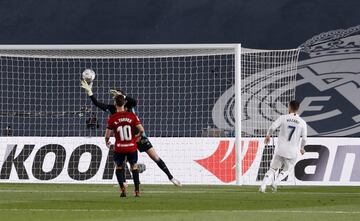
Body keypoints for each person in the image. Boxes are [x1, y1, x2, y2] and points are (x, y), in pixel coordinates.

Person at [81, 80, 181, 186]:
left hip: (138, 136)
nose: (114, 98)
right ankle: (124, 182)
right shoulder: (112, 108)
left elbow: (134, 101)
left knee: (155, 157)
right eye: (114, 97)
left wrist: (122, 95)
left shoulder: (130, 105)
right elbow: (97, 104)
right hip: (125, 140)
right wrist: (90, 92)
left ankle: (171, 177)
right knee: (121, 162)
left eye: (117, 96)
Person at [259, 100, 307, 193]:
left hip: (281, 149)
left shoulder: (283, 118)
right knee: (287, 169)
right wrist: (302, 148)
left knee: (272, 169)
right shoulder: (302, 122)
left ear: (289, 107)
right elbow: (304, 138)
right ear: (298, 109)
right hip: (292, 151)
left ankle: (263, 186)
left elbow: (272, 127)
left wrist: (268, 136)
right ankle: (275, 182)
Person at [105, 95, 143, 197]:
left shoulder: (112, 118)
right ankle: (137, 191)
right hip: (131, 146)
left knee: (119, 166)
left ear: (115, 104)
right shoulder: (132, 116)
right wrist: (136, 138)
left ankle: (122, 189)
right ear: (125, 103)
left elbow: (107, 135)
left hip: (120, 147)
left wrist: (107, 142)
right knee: (134, 166)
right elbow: (141, 130)